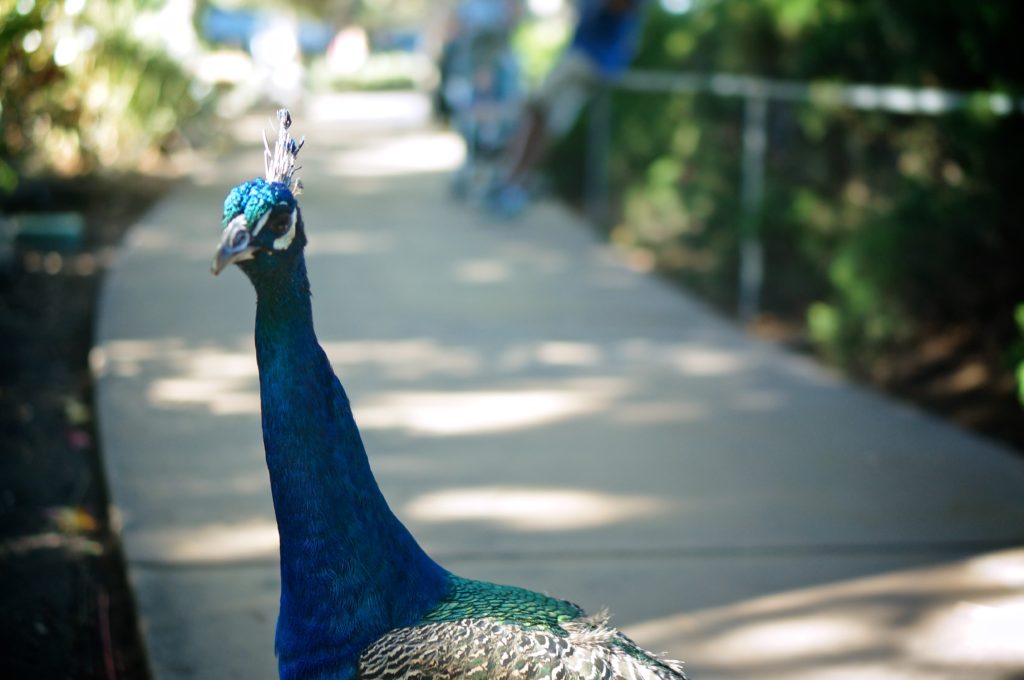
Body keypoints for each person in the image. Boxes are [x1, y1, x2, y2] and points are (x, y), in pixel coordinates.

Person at [488, 0, 646, 217]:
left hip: (588, 63)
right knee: (547, 122)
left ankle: (512, 175)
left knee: (537, 108)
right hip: (588, 62)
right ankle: (515, 180)